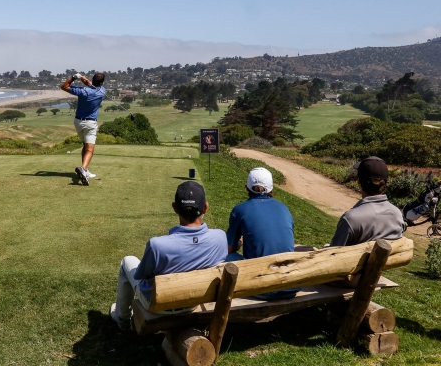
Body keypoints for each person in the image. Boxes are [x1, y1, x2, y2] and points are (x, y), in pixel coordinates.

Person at [110, 181, 228, 330]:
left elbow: (142, 276)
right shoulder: (220, 237)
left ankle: (123, 318)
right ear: (205, 207)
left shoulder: (157, 245)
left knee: (127, 261)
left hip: (159, 305)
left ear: (175, 208)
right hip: (195, 300)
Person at [226, 167, 298, 299]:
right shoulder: (284, 208)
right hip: (291, 285)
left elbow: (229, 248)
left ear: (247, 187)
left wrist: (239, 244)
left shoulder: (240, 210)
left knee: (225, 257)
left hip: (262, 287)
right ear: (271, 188)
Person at [330, 156, 405, 247]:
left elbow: (333, 252)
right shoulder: (397, 215)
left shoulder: (351, 219)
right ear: (385, 184)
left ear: (359, 181)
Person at [60, 72, 106, 185]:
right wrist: (87, 82)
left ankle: (85, 170)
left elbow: (64, 87)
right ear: (102, 83)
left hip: (78, 122)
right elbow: (94, 86)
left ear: (92, 80)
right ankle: (83, 168)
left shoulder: (83, 91)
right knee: (90, 149)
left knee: (85, 145)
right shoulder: (102, 91)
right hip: (90, 123)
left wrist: (74, 77)